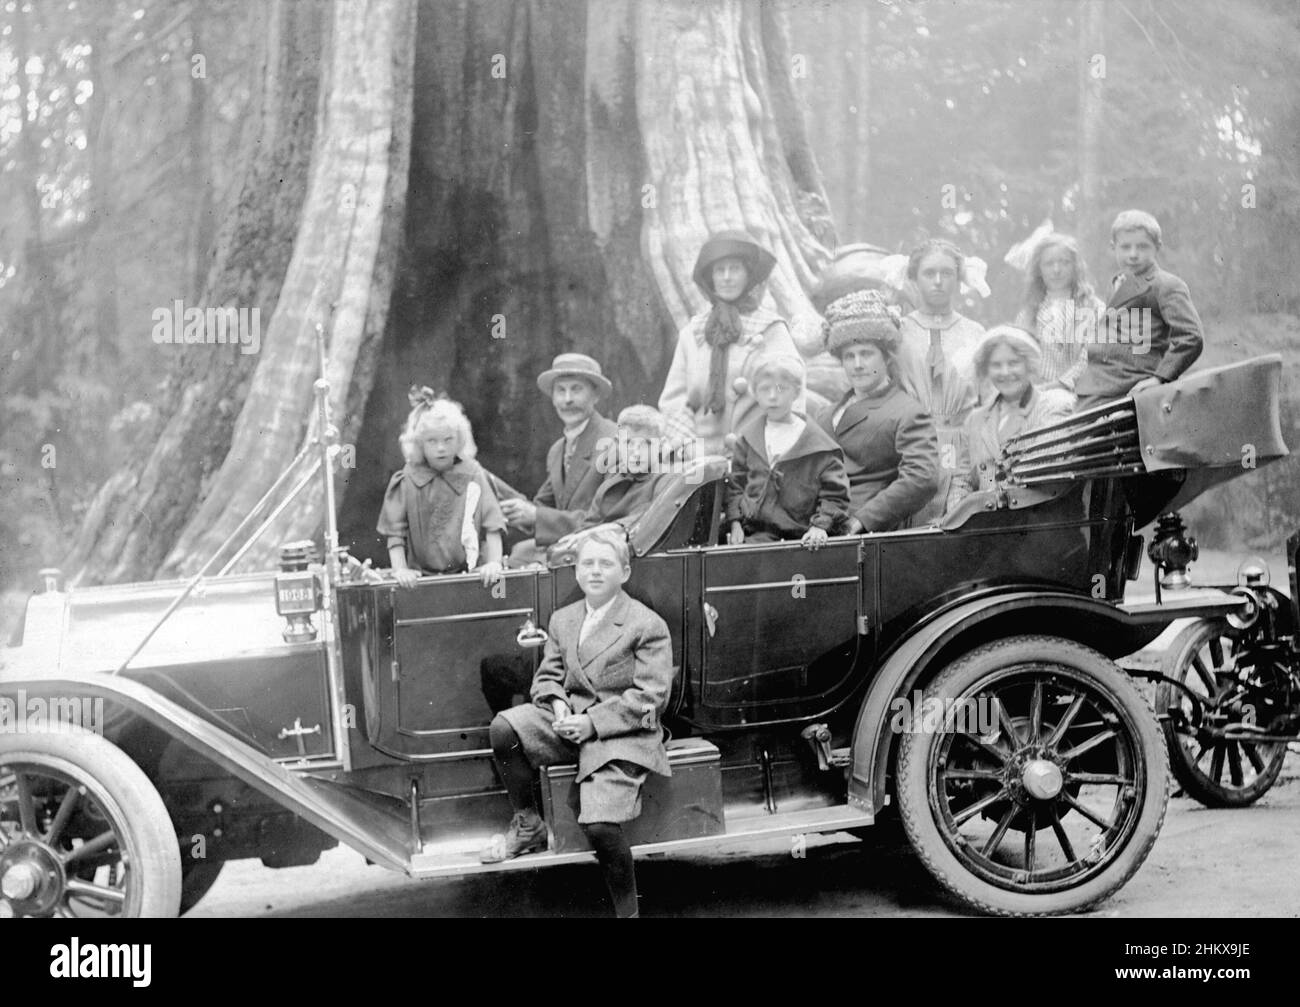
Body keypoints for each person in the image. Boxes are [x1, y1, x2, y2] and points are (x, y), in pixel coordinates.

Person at [479, 530, 674, 919]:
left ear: (625, 571)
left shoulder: (646, 624)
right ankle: (529, 823)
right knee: (504, 729)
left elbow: (652, 698)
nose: (595, 572)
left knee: (601, 826)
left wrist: (591, 723)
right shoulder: (564, 619)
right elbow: (547, 677)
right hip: (570, 722)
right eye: (588, 564)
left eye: (606, 564)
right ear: (576, 571)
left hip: (622, 733)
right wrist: (557, 704)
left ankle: (627, 915)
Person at [658, 230, 802, 457]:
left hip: (754, 455)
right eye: (719, 270)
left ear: (748, 275)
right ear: (710, 278)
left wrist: (766, 449)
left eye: (735, 269)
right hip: (696, 458)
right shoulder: (693, 333)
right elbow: (674, 400)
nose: (726, 277)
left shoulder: (771, 329)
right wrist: (687, 447)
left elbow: (792, 394)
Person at [815, 290, 940, 533]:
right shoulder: (825, 414)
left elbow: (921, 478)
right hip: (813, 531)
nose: (858, 364)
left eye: (866, 354)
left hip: (863, 535)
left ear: (886, 358)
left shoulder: (906, 412)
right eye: (849, 356)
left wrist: (862, 520)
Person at [1074, 209, 1204, 411]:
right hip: (1099, 381)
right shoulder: (1118, 282)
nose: (1133, 255)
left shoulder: (1166, 285)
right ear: (1113, 247)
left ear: (1157, 247)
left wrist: (1159, 378)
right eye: (1125, 247)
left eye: (1142, 247)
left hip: (1130, 383)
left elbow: (1191, 336)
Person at [895, 239, 986, 523]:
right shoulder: (899, 331)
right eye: (929, 273)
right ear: (914, 277)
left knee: (954, 520)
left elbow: (986, 396)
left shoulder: (974, 332)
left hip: (960, 442)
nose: (938, 281)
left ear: (958, 278)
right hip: (912, 441)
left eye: (946, 273)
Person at [501, 353, 619, 562]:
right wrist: (515, 511)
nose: (567, 400)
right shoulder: (557, 450)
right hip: (568, 548)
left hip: (600, 552)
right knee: (517, 555)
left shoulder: (612, 441)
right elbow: (542, 505)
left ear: (596, 395)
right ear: (553, 398)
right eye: (560, 390)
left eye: (576, 389)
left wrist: (535, 516)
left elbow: (607, 519)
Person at [378, 393, 505, 587]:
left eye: (448, 440)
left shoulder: (474, 475)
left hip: (471, 576)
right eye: (432, 441)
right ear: (419, 443)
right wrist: (400, 569)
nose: (441, 448)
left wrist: (494, 563)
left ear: (460, 439)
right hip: (420, 580)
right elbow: (395, 533)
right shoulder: (407, 480)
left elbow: (493, 523)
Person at [725, 353, 849, 549]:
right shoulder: (748, 439)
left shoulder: (817, 444)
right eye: (764, 389)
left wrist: (820, 526)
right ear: (755, 394)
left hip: (802, 537)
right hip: (755, 534)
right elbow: (736, 485)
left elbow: (834, 493)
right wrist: (735, 523)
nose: (773, 397)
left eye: (781, 389)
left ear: (796, 392)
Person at [945, 326, 1074, 514]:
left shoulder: (1052, 407)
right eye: (996, 365)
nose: (1005, 372)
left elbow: (1040, 475)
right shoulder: (975, 419)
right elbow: (961, 480)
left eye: (1013, 363)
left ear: (1029, 365)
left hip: (1037, 526)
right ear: (986, 369)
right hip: (983, 530)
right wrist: (958, 521)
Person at [545, 405, 670, 552]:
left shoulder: (666, 480)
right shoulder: (612, 481)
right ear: (617, 443)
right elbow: (589, 524)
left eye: (646, 444)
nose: (636, 453)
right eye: (628, 443)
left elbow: (642, 520)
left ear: (661, 446)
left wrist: (591, 534)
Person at [1014, 233, 1106, 397]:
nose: (1056, 270)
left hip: (1082, 396)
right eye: (1049, 264)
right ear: (1039, 269)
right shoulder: (1027, 315)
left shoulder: (1094, 308)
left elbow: (1090, 359)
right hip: (1036, 399)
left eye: (1064, 262)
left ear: (1075, 266)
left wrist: (1057, 386)